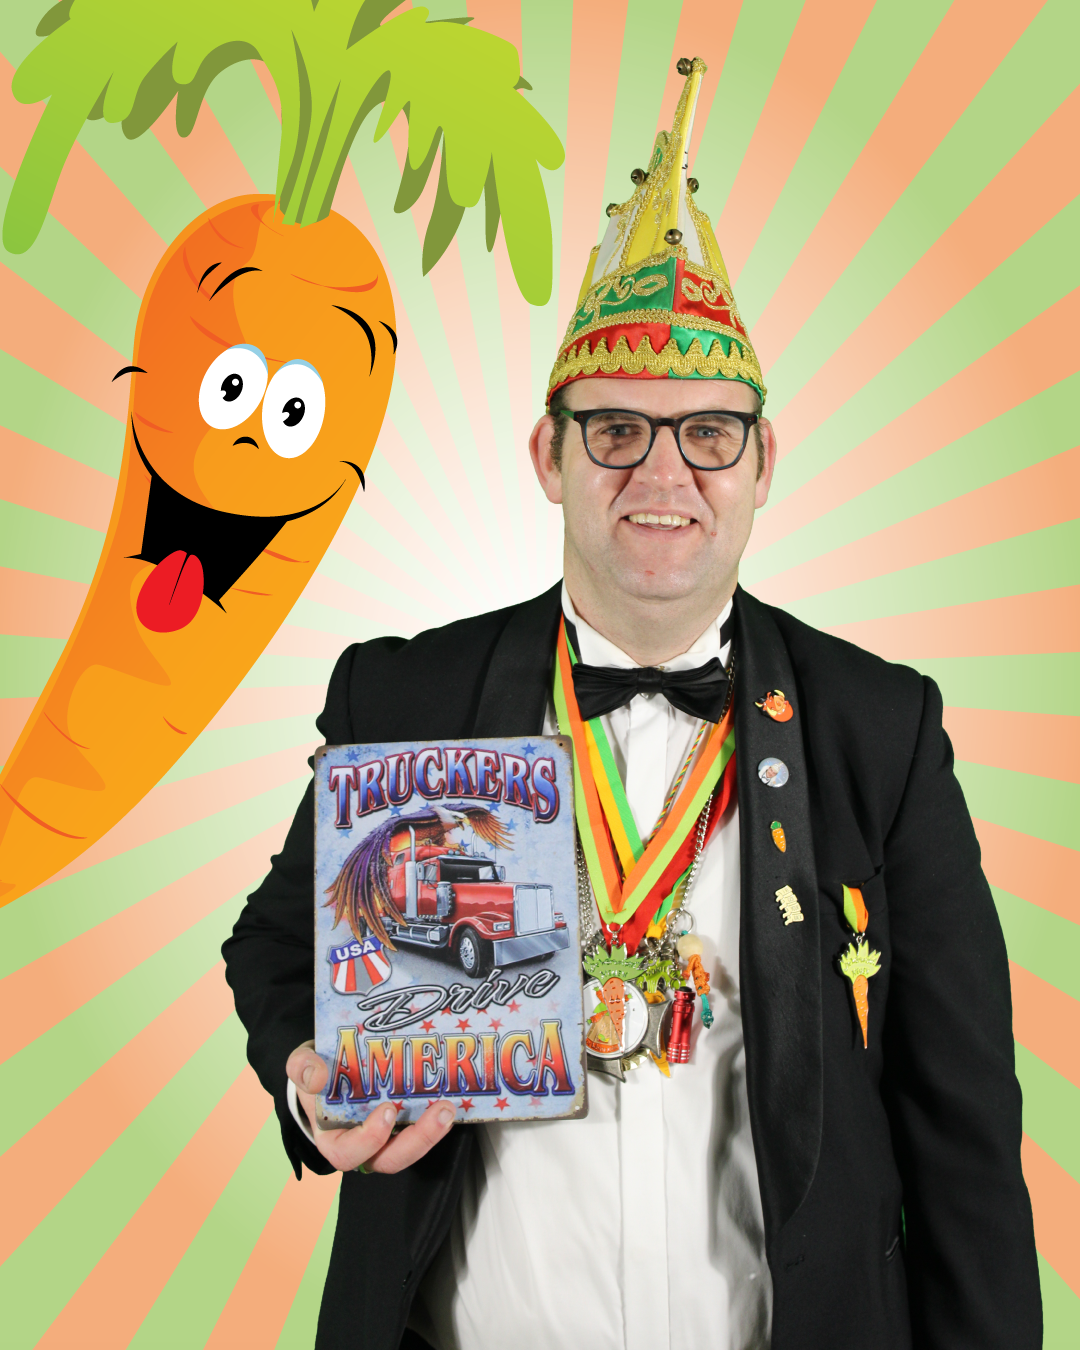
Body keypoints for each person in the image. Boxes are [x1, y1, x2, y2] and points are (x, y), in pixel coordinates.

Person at [222, 57, 1041, 1350]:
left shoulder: (880, 732)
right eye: (616, 430)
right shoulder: (407, 694)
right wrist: (308, 1074)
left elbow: (966, 1138)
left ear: (763, 462)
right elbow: (276, 945)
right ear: (548, 454)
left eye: (709, 432)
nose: (664, 473)